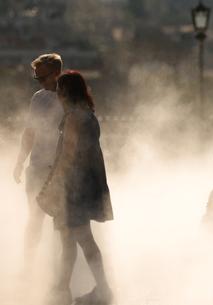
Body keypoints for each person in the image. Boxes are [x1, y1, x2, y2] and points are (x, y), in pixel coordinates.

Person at [37, 71, 114, 305]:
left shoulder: (73, 118)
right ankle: (62, 290)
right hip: (86, 185)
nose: (57, 95)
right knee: (70, 241)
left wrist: (50, 187)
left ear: (66, 93)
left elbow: (67, 157)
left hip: (73, 189)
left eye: (59, 90)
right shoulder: (89, 116)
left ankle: (102, 290)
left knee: (81, 240)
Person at [13, 53, 65, 270]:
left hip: (59, 170)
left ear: (56, 74)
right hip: (36, 168)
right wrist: (19, 162)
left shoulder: (69, 98)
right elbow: (29, 131)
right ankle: (28, 267)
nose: (40, 83)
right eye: (37, 79)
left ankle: (58, 271)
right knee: (34, 220)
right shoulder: (38, 98)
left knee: (61, 223)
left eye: (42, 78)